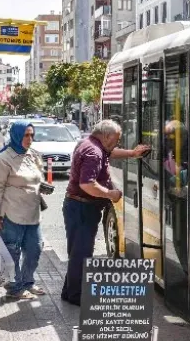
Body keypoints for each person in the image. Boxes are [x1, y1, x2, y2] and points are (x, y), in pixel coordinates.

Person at [61, 119, 150, 306]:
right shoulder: (93, 152)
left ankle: (69, 291)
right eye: (116, 139)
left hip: (79, 207)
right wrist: (111, 194)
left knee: (77, 251)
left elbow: (111, 152)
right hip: (82, 208)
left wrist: (132, 153)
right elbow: (87, 184)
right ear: (106, 136)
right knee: (82, 253)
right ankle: (76, 296)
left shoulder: (90, 143)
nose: (116, 144)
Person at [0, 120, 53, 300]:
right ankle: (15, 288)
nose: (29, 138)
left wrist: (42, 186)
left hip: (32, 214)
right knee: (12, 251)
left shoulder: (33, 155)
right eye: (25, 135)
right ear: (16, 135)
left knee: (35, 248)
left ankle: (27, 281)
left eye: (32, 135)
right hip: (12, 214)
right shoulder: (2, 160)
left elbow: (36, 178)